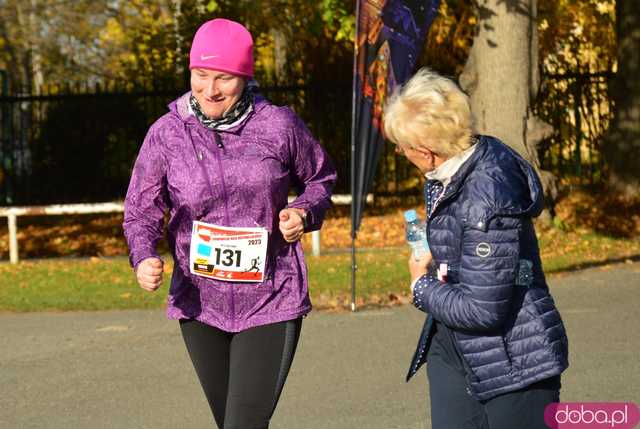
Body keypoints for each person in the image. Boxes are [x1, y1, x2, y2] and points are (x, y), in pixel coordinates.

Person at [123, 18, 336, 429]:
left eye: (224, 78)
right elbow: (141, 209)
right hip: (200, 303)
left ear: (246, 76)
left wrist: (303, 213)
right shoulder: (167, 134)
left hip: (270, 296)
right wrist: (143, 255)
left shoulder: (279, 125)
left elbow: (320, 179)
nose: (210, 90)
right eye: (200, 76)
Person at [383, 68, 569, 429]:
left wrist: (420, 285)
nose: (399, 152)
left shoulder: (487, 196)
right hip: (454, 344)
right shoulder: (449, 172)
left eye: (401, 147)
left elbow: (484, 309)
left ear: (426, 152)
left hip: (514, 360)